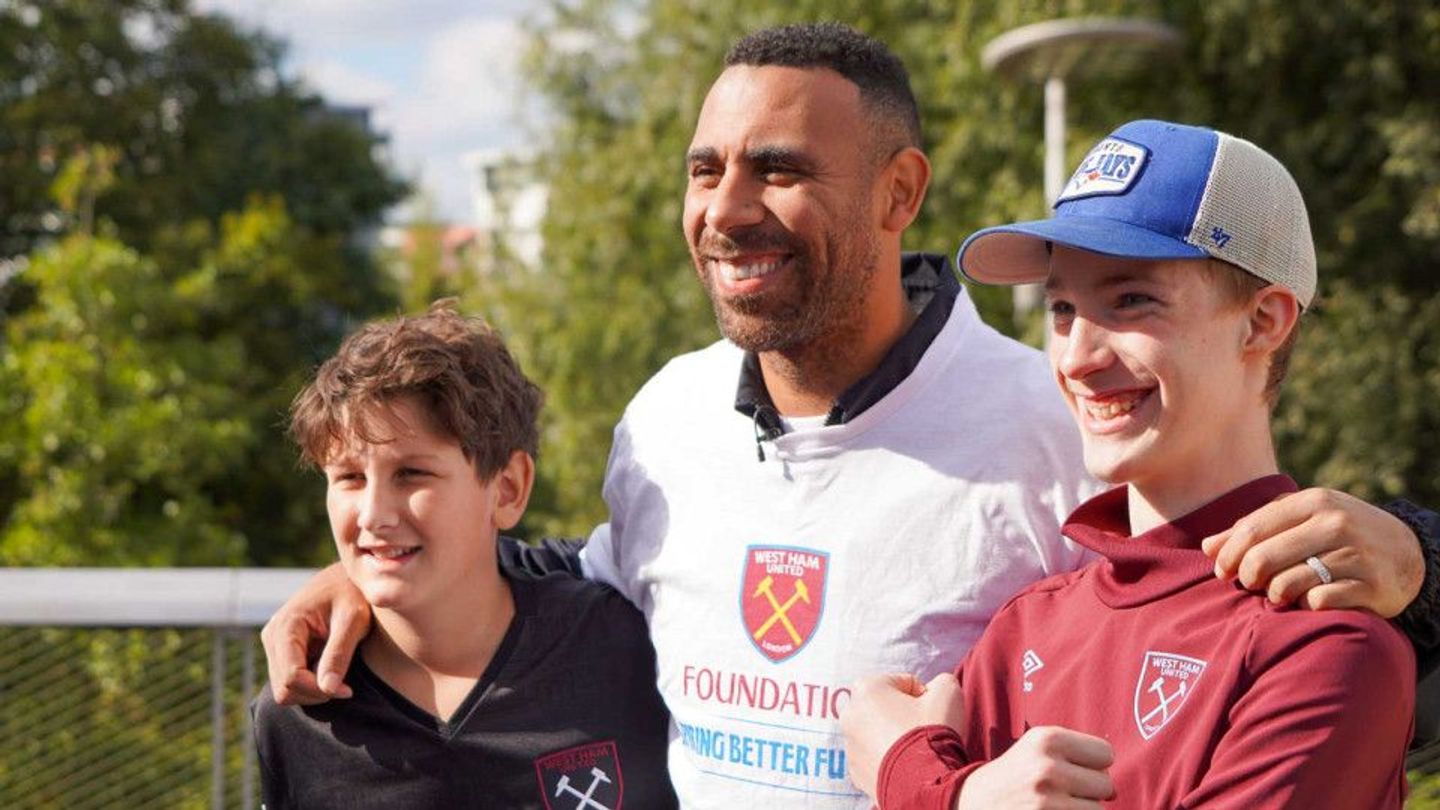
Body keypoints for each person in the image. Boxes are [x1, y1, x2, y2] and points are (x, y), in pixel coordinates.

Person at [260, 24, 1440, 809]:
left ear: (899, 192)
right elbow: (587, 583)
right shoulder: (666, 418)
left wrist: (1424, 557)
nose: (726, 210)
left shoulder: (1054, 427)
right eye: (703, 168)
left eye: (776, 168)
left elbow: (1245, 598)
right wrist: (381, 567)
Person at [843, 120, 1415, 809]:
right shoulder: (1027, 625)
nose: (1077, 358)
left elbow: (924, 787)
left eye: (1132, 300)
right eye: (1061, 308)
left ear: (1263, 322)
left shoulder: (1326, 646)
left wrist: (921, 784)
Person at [251, 302, 676, 809]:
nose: (372, 514)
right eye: (349, 478)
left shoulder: (622, 647)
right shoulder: (299, 712)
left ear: (509, 489)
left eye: (412, 474)